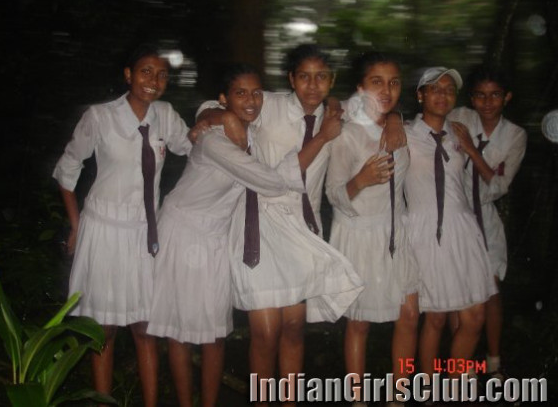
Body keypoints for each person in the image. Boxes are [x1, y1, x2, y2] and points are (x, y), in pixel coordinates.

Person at [197, 44, 363, 407]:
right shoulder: (268, 104)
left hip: (301, 232)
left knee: (293, 329)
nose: (312, 85)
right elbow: (220, 104)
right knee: (265, 332)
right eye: (304, 76)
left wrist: (395, 119)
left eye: (322, 77)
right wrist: (212, 114)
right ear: (291, 79)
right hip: (258, 226)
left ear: (331, 81)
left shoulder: (339, 117)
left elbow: (382, 110)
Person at [146, 64, 315, 407]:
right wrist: (219, 115)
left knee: (215, 334)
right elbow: (269, 182)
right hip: (182, 232)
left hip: (216, 238)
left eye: (256, 93)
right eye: (240, 94)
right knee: (179, 334)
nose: (251, 100)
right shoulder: (214, 140)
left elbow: (306, 102)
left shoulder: (249, 131)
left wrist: (222, 113)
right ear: (225, 99)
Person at [52, 44, 191, 406]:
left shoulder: (166, 115)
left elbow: (195, 148)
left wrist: (214, 118)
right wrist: (76, 224)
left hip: (145, 235)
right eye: (145, 71)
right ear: (128, 75)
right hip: (102, 230)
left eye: (162, 74)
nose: (154, 81)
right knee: (104, 331)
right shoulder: (100, 117)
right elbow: (68, 169)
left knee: (146, 329)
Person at [326, 52, 419, 407]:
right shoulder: (346, 134)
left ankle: (399, 396)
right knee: (359, 322)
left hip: (397, 232)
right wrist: (360, 180)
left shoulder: (402, 128)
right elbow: (333, 193)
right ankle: (357, 399)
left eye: (394, 82)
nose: (387, 89)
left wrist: (393, 117)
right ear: (361, 87)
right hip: (358, 233)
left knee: (409, 315)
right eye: (377, 81)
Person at [405, 67, 497, 382]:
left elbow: (490, 180)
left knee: (475, 315)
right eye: (434, 88)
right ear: (420, 95)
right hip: (425, 230)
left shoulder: (459, 133)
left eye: (449, 89)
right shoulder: (403, 132)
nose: (442, 95)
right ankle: (429, 390)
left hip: (462, 229)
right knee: (436, 318)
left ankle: (455, 382)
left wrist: (470, 148)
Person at [448, 65, 527, 378]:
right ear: (472, 98)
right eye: (480, 95)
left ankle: (494, 363)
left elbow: (497, 187)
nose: (488, 102)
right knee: (459, 291)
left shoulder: (515, 135)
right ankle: (462, 369)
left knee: (491, 291)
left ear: (506, 97)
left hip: (486, 220)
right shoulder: (460, 118)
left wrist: (471, 150)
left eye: (495, 95)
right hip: (456, 214)